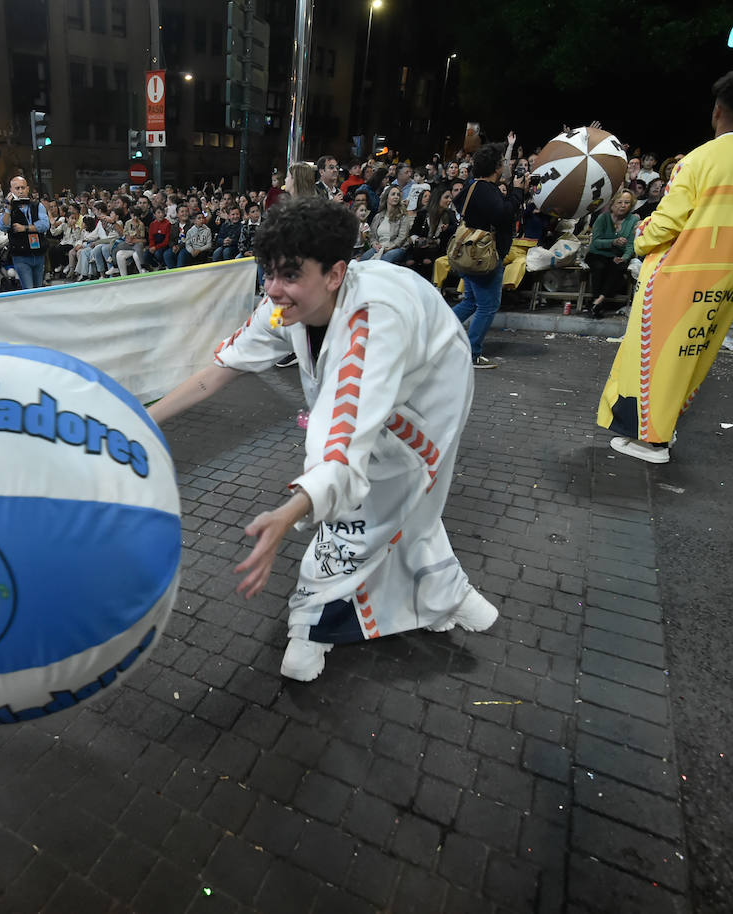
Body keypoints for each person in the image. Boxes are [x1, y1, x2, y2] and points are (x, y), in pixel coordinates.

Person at [146, 197, 499, 681]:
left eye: (289, 275)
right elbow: (222, 369)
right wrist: (146, 417)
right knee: (404, 504)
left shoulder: (374, 321)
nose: (273, 290)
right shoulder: (284, 305)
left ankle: (311, 626)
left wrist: (290, 511)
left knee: (365, 509)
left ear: (335, 273)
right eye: (266, 273)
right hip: (382, 388)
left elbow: (342, 438)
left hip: (429, 394)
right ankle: (447, 594)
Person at [597, 68, 733, 464]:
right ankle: (662, 433)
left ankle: (650, 441)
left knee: (652, 358)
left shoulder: (699, 160)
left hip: (680, 273)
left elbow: (665, 224)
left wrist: (641, 236)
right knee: (693, 354)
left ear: (717, 110)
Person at [449, 142, 528, 369]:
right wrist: (518, 192)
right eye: (502, 162)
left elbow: (460, 203)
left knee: (471, 301)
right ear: (496, 167)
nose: (505, 165)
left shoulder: (473, 187)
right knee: (487, 306)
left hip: (469, 253)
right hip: (484, 256)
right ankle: (472, 353)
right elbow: (504, 215)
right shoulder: (486, 190)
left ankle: (438, 331)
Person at [585, 191, 639, 317]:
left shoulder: (633, 220)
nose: (623, 205)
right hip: (597, 253)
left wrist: (624, 258)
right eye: (620, 202)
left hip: (615, 256)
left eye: (627, 203)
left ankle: (598, 301)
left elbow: (631, 245)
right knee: (599, 266)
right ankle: (596, 301)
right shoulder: (603, 218)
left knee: (618, 268)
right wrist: (613, 242)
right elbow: (596, 242)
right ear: (613, 204)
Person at [0, 175, 50, 289]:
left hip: (38, 252)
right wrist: (8, 209)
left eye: (22, 187)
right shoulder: (8, 208)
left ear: (27, 189)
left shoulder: (37, 205)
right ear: (11, 190)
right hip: (21, 254)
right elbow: (3, 227)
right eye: (17, 188)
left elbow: (45, 225)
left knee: (38, 287)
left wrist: (25, 228)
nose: (20, 191)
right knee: (29, 289)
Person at [361, 184, 414, 263]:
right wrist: (374, 244)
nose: (396, 197)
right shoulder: (378, 216)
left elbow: (402, 237)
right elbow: (372, 235)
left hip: (397, 248)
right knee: (364, 259)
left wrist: (390, 247)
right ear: (387, 197)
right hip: (380, 247)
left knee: (384, 260)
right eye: (393, 194)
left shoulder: (403, 216)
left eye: (398, 195)